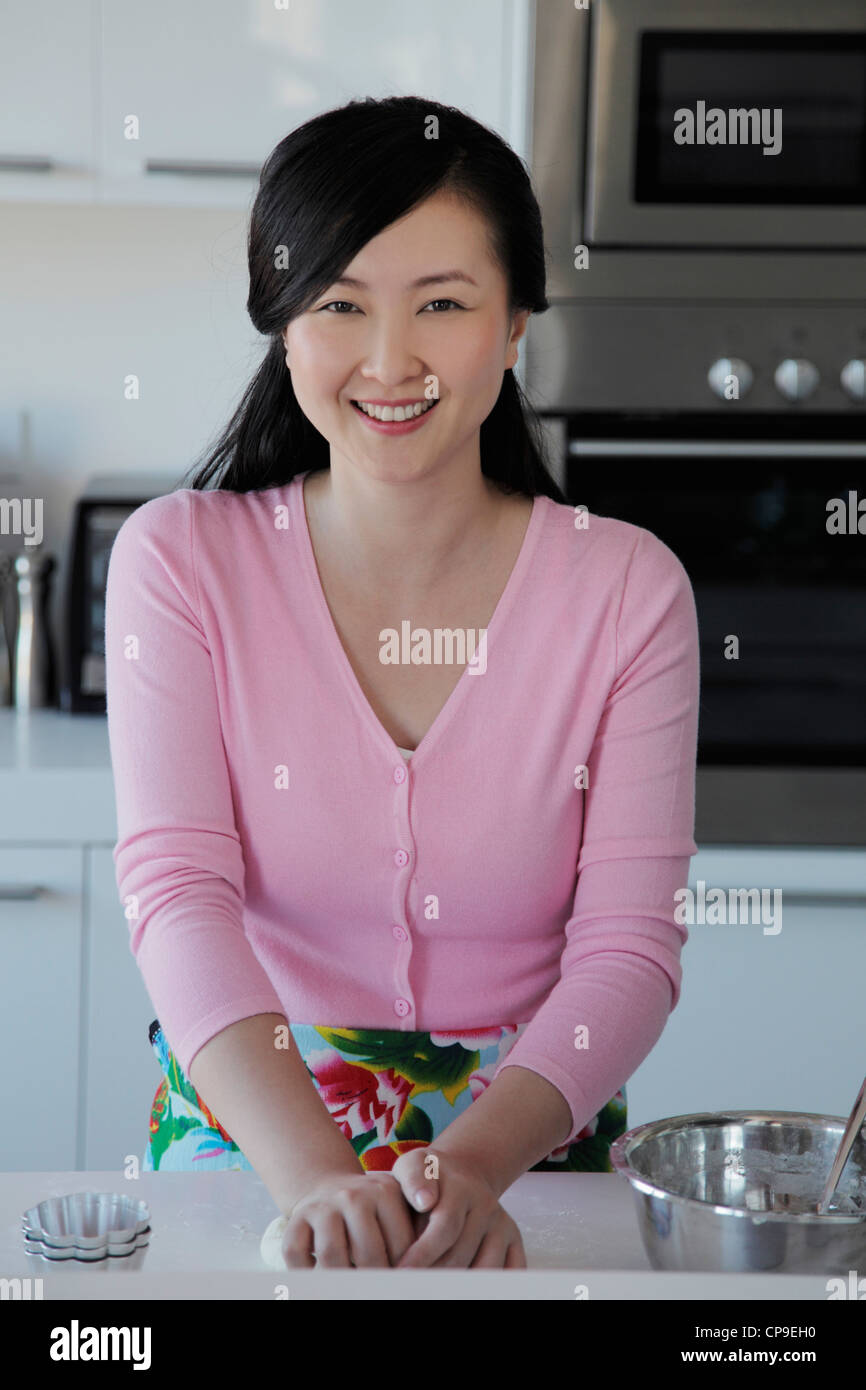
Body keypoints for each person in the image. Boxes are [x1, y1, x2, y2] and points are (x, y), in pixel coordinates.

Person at [105, 94, 700, 1271]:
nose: (389, 361)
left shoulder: (627, 590)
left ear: (517, 323)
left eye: (442, 303)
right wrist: (314, 1174)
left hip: (535, 1137)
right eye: (339, 305)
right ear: (283, 326)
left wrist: (477, 1161)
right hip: (253, 1126)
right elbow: (176, 891)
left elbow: (629, 947)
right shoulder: (180, 562)